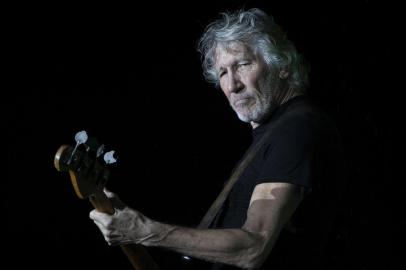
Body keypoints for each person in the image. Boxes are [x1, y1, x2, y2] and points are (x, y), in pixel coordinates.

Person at [90, 8, 347, 270]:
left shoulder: (297, 128)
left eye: (243, 64)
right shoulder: (273, 134)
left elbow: (254, 246)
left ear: (280, 65)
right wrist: (129, 226)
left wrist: (146, 231)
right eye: (223, 73)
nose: (233, 85)